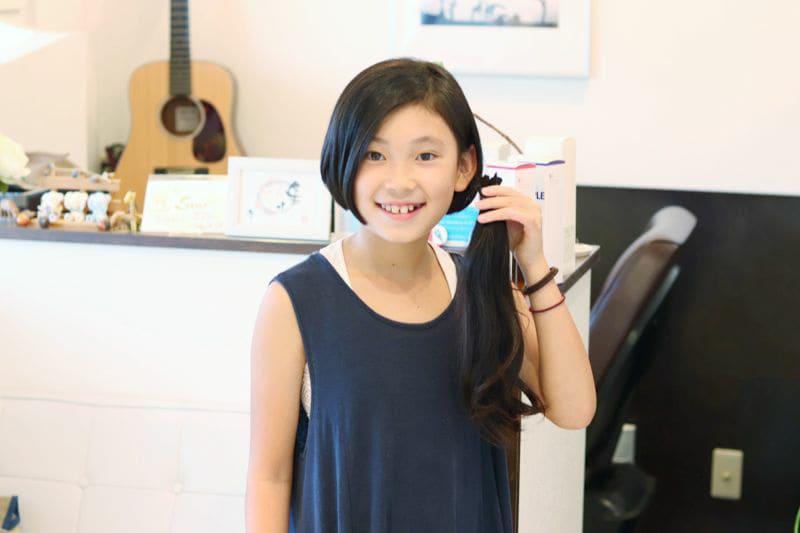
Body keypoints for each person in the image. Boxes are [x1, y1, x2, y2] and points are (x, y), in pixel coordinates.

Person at [245, 57, 596, 533]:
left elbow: (574, 410)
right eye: (375, 155)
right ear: (343, 161)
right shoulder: (296, 300)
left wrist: (534, 264)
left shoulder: (481, 291)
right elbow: (269, 478)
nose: (400, 181)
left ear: (464, 167)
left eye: (425, 156)